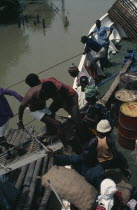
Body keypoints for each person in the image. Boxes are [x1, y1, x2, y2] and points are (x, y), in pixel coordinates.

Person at [0, 88, 23, 153]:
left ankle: (15, 149)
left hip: (3, 119)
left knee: (1, 139)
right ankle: (8, 152)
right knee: (1, 137)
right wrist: (23, 100)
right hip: (6, 115)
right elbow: (13, 92)